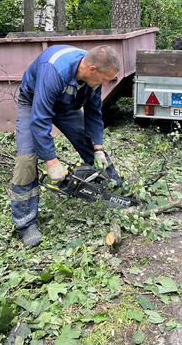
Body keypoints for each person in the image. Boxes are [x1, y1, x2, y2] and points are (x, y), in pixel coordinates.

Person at [11, 44, 120, 247]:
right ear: (92, 70)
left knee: (89, 142)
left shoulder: (93, 80)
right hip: (34, 102)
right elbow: (40, 118)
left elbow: (94, 114)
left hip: (66, 105)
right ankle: (26, 224)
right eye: (105, 79)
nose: (105, 84)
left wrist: (98, 149)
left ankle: (115, 188)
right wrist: (51, 162)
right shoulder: (54, 70)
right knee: (26, 160)